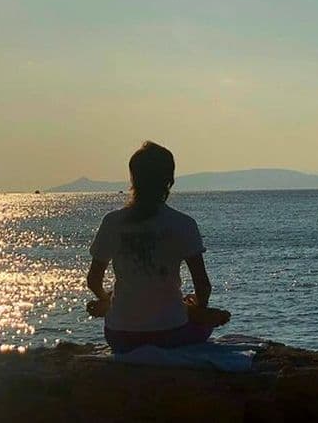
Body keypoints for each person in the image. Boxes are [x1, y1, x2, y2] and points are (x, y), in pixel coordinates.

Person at [85, 141, 230, 353]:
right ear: (169, 180)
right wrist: (198, 308)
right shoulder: (183, 223)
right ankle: (187, 313)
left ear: (133, 179)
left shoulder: (112, 222)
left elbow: (93, 280)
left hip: (119, 336)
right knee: (203, 321)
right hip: (170, 334)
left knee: (138, 303)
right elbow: (203, 286)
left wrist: (108, 301)